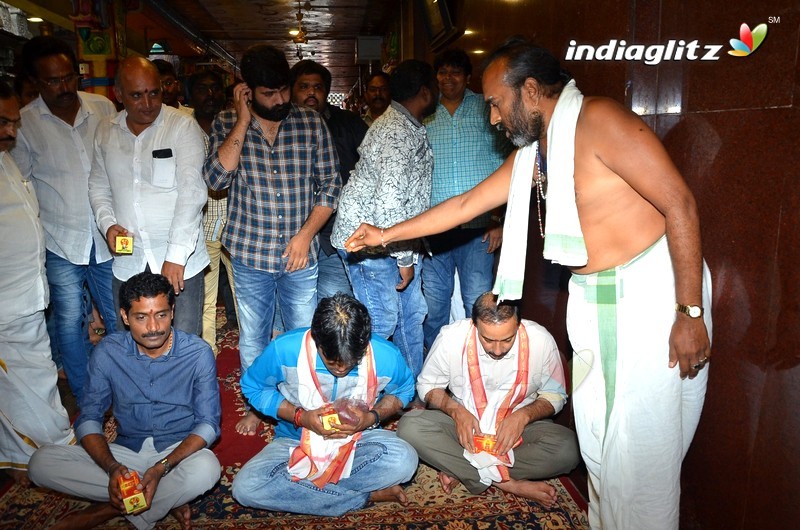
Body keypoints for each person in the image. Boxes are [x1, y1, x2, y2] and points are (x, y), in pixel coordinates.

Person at [344, 38, 713, 529]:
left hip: (648, 299)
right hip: (595, 300)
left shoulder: (601, 122)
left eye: (496, 102)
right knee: (602, 444)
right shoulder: (537, 155)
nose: (493, 118)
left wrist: (689, 312)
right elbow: (462, 207)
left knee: (642, 449)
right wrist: (385, 234)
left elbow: (680, 205)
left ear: (532, 91)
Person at [203, 44, 340, 435]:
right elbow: (215, 180)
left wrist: (305, 236)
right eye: (268, 93)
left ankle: (300, 406)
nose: (280, 100)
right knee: (254, 339)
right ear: (246, 90)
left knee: (301, 336)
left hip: (301, 256)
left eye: (284, 90)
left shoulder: (310, 124)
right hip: (249, 254)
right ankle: (260, 407)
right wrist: (243, 120)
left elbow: (331, 185)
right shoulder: (227, 122)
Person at [28, 272, 221, 530]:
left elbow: (208, 424)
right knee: (40, 463)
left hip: (176, 455)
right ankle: (166, 498)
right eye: (141, 317)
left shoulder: (197, 353)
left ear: (172, 312)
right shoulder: (108, 351)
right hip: (126, 453)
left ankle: (107, 510)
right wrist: (112, 468)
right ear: (124, 316)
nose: (153, 327)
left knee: (208, 468)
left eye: (161, 314)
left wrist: (161, 467)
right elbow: (88, 418)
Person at [232, 293, 417, 516]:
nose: (341, 369)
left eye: (351, 362)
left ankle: (310, 491)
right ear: (316, 341)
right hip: (295, 441)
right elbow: (254, 387)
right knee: (246, 487)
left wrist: (372, 418)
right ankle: (365, 496)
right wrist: (300, 417)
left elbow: (404, 390)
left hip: (358, 440)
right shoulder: (285, 349)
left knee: (405, 460)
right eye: (332, 362)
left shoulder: (385, 355)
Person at [12, 36, 118, 401]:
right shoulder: (24, 124)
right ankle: (88, 395)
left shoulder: (103, 109)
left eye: (69, 77)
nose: (64, 87)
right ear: (36, 82)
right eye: (53, 81)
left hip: (108, 238)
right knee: (70, 325)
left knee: (118, 316)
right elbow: (19, 185)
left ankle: (123, 386)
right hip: (59, 241)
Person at [397, 292, 579, 505]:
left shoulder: (541, 340)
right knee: (409, 426)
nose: (498, 350)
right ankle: (508, 483)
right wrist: (456, 410)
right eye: (488, 340)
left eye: (507, 339)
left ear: (519, 325)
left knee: (570, 449)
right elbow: (427, 386)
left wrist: (523, 416)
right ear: (474, 325)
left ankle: (463, 468)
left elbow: (555, 394)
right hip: (464, 428)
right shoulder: (451, 337)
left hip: (517, 435)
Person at [331, 60, 438, 378]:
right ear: (425, 92)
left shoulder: (406, 124)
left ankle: (408, 390)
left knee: (410, 315)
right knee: (380, 321)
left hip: (394, 242)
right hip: (370, 244)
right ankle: (370, 392)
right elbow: (389, 204)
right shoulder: (394, 130)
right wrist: (404, 256)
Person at [89, 57, 209, 336]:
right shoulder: (106, 130)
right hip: (128, 259)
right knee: (131, 343)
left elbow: (192, 193)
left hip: (181, 262)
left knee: (183, 341)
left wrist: (176, 254)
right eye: (136, 95)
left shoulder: (181, 126)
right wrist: (107, 225)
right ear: (118, 95)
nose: (147, 103)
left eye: (154, 92)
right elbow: (98, 186)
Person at [0, 81, 74, 487]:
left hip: (27, 294)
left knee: (34, 377)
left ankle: (22, 457)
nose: (11, 132)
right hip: (6, 305)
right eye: (3, 122)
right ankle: (46, 455)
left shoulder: (6, 158)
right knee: (23, 385)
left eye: (14, 122)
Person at [422, 48, 510, 349]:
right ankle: (435, 370)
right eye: (442, 72)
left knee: (479, 303)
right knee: (434, 308)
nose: (448, 78)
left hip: (480, 228)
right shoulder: (426, 112)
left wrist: (500, 221)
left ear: (467, 77)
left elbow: (506, 165)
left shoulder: (485, 108)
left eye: (455, 72)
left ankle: (479, 367)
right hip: (436, 229)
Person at [290, 59, 368, 299]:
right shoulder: (282, 126)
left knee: (335, 308)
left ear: (327, 92)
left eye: (318, 87)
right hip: (292, 233)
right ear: (291, 91)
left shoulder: (350, 123)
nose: (311, 92)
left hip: (336, 235)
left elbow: (370, 170)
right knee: (294, 314)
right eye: (304, 87)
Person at [188, 70, 237, 354]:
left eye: (215, 89)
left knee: (244, 294)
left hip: (237, 222)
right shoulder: (183, 127)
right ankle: (207, 350)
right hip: (201, 224)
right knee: (205, 295)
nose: (210, 95)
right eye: (203, 89)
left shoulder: (236, 125)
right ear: (191, 94)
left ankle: (254, 351)